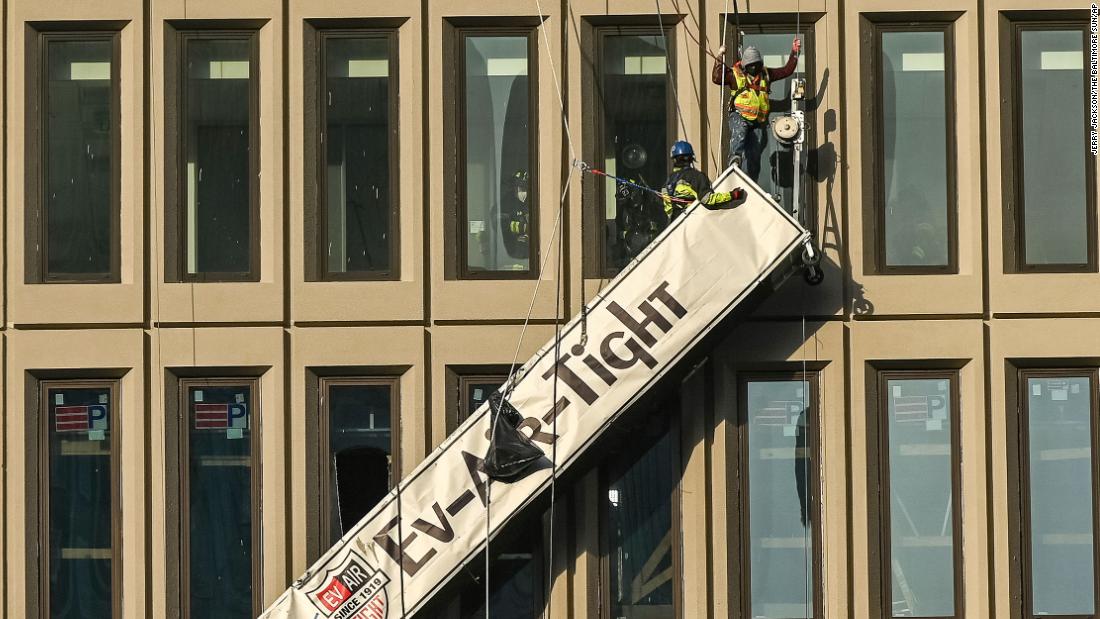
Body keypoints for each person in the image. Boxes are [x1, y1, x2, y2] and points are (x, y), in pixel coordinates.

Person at [712, 39, 802, 181]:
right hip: (739, 115)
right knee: (739, 133)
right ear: (745, 65)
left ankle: (751, 179)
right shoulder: (734, 75)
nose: (754, 68)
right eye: (751, 66)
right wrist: (719, 56)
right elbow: (717, 78)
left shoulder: (766, 75)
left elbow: (787, 70)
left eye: (756, 65)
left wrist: (795, 52)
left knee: (755, 152)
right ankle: (734, 161)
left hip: (758, 121)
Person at [661, 141, 745, 222]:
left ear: (674, 159)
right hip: (696, 226)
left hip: (676, 230)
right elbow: (708, 200)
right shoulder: (697, 177)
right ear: (691, 158)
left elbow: (668, 210)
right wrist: (732, 195)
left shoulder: (667, 183)